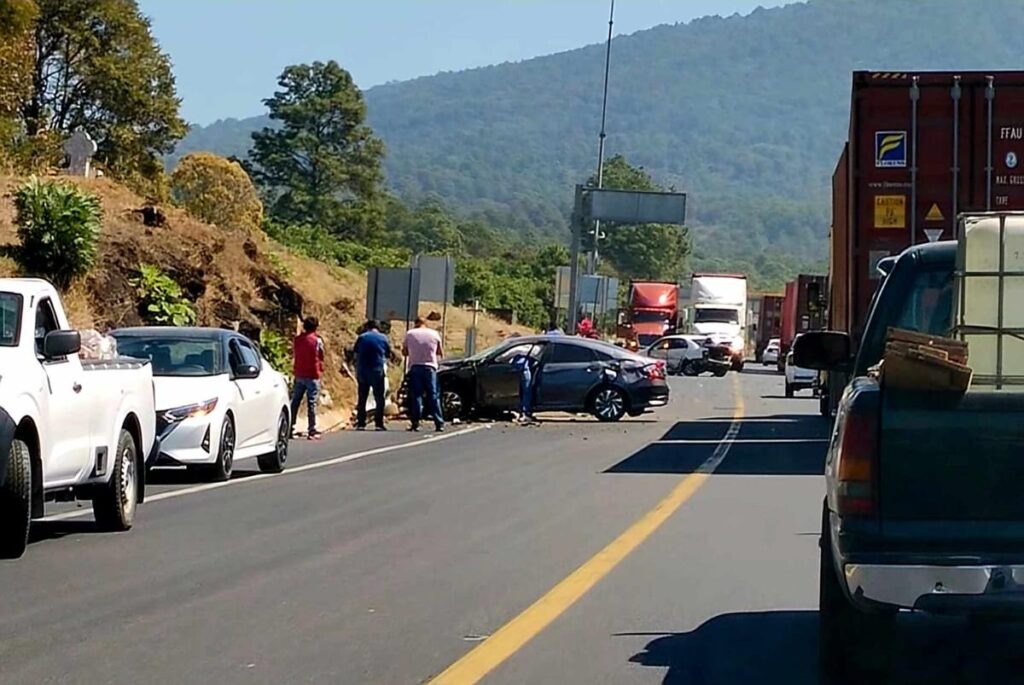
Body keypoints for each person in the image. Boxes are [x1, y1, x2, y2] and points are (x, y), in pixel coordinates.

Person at [403, 317, 445, 433]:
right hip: (430, 368)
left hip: (415, 367)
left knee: (416, 395)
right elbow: (440, 352)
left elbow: (404, 352)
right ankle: (439, 423)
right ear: (425, 324)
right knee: (433, 395)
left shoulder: (410, 334)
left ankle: (415, 423)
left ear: (416, 323)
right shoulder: (434, 334)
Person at [353, 320, 391, 431]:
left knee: (362, 397)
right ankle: (379, 423)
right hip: (377, 371)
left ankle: (361, 423)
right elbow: (388, 354)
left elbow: (355, 353)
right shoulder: (383, 338)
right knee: (379, 398)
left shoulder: (362, 337)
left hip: (362, 370)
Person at [291, 316, 325, 439]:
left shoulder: (297, 340)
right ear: (316, 327)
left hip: (299, 373)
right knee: (312, 403)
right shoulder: (317, 340)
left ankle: (290, 427)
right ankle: (312, 430)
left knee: (295, 402)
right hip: (312, 374)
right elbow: (321, 356)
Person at [510, 344, 539, 423]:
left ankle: (524, 411)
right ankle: (525, 411)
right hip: (526, 372)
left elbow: (503, 357)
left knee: (525, 392)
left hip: (522, 372)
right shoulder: (532, 349)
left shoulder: (517, 350)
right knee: (526, 392)